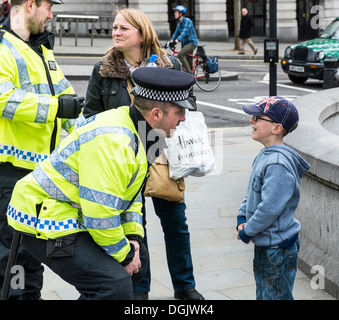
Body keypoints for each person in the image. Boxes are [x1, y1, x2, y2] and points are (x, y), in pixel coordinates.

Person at [6, 67, 196, 300]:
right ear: (156, 113)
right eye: (179, 111)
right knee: (113, 286)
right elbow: (100, 215)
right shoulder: (113, 141)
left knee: (138, 264)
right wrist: (125, 256)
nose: (184, 118)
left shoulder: (148, 133)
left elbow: (133, 193)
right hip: (45, 218)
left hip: (76, 213)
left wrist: (134, 238)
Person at [83, 7, 204, 301]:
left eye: (123, 28)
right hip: (123, 158)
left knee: (175, 222)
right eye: (114, 27)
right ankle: (140, 288)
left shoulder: (169, 64)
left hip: (162, 153)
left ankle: (185, 285)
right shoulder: (103, 69)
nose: (116, 33)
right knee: (135, 227)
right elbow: (90, 115)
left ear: (141, 33)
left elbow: (189, 103)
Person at [0, 0, 84, 300]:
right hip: (10, 173)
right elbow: (3, 100)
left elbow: (70, 102)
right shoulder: (3, 48)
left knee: (31, 254)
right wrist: (56, 107)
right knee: (12, 258)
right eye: (48, 7)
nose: (51, 14)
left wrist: (90, 133)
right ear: (31, 5)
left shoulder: (41, 50)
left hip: (39, 174)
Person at [236, 96, 311, 300]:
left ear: (276, 128)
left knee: (275, 296)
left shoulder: (277, 164)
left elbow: (269, 208)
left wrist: (248, 230)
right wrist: (242, 217)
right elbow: (252, 191)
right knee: (266, 294)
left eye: (258, 117)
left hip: (276, 249)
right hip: (267, 245)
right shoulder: (265, 155)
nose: (252, 121)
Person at [169, 5, 198, 74]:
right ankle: (190, 79)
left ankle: (189, 74)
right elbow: (176, 33)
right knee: (188, 61)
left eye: (176, 12)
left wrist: (176, 41)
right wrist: (170, 41)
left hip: (191, 43)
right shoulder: (179, 23)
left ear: (180, 14)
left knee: (180, 55)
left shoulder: (187, 21)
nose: (174, 14)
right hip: (185, 44)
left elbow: (184, 32)